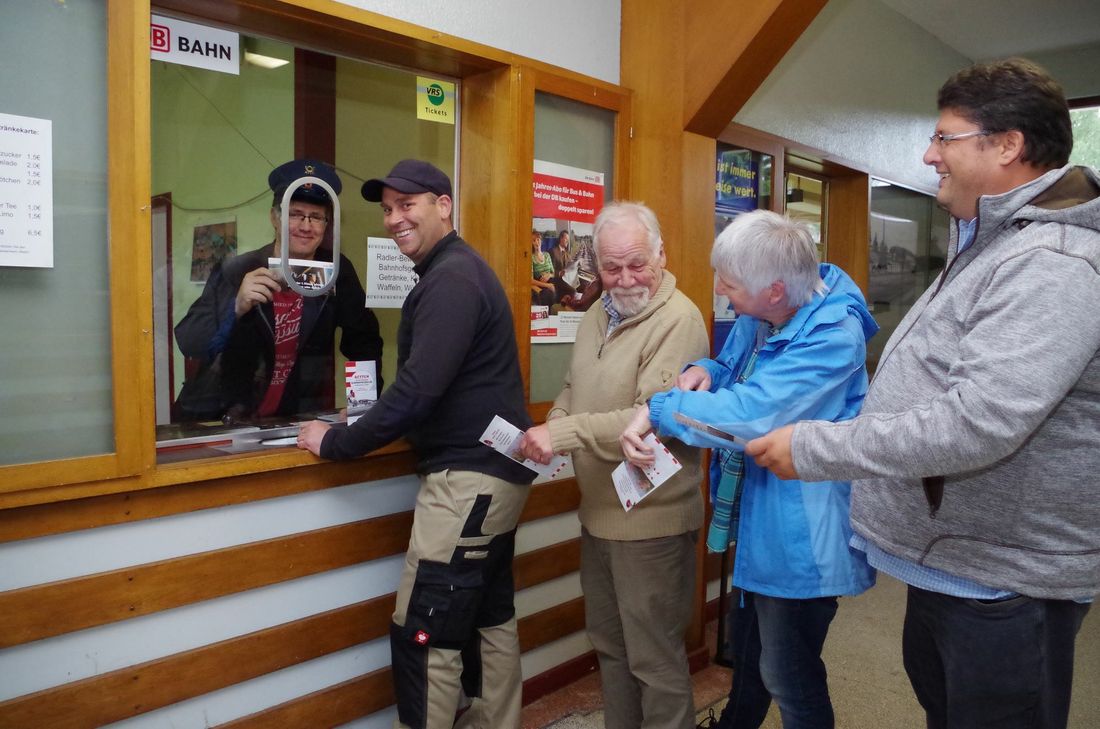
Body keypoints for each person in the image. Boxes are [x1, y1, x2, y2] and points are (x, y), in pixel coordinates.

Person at [747, 58, 1100, 729]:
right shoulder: (990, 242)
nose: (927, 154)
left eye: (944, 138)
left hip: (1004, 582)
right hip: (957, 563)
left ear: (1007, 145)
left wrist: (818, 447)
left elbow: (978, 422)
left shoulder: (1051, 261)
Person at [295, 159, 535, 729]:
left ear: (443, 205)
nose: (395, 219)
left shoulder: (451, 278)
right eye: (387, 209)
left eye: (409, 205)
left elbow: (415, 392)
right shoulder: (456, 271)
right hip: (496, 473)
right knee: (487, 616)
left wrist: (337, 442)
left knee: (424, 629)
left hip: (467, 483)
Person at [620, 209, 877, 729]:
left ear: (776, 290)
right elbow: (735, 372)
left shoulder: (833, 337)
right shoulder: (765, 314)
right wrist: (704, 370)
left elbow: (752, 414)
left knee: (790, 673)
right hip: (763, 518)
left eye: (729, 284)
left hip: (803, 531)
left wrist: (660, 408)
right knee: (752, 656)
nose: (721, 291)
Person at [518, 201, 709, 729]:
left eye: (636, 264)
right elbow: (576, 388)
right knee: (610, 647)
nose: (625, 279)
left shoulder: (679, 319)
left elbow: (649, 418)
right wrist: (555, 420)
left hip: (651, 521)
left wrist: (559, 433)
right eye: (610, 267)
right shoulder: (599, 313)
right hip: (599, 513)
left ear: (661, 255)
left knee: (654, 659)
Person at [174, 158, 382, 422]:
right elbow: (190, 342)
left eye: (316, 217)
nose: (306, 226)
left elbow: (364, 342)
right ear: (274, 217)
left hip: (292, 417)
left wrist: (363, 408)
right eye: (294, 214)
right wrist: (235, 308)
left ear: (327, 224)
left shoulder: (336, 271)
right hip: (222, 416)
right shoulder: (238, 269)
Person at [530, 229, 574, 307]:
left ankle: (563, 300)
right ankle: (554, 309)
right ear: (531, 243)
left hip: (552, 279)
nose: (537, 242)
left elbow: (553, 273)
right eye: (534, 241)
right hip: (541, 282)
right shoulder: (531, 258)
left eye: (538, 239)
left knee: (572, 288)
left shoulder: (546, 255)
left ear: (541, 240)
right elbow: (531, 280)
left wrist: (549, 275)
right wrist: (548, 285)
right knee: (549, 293)